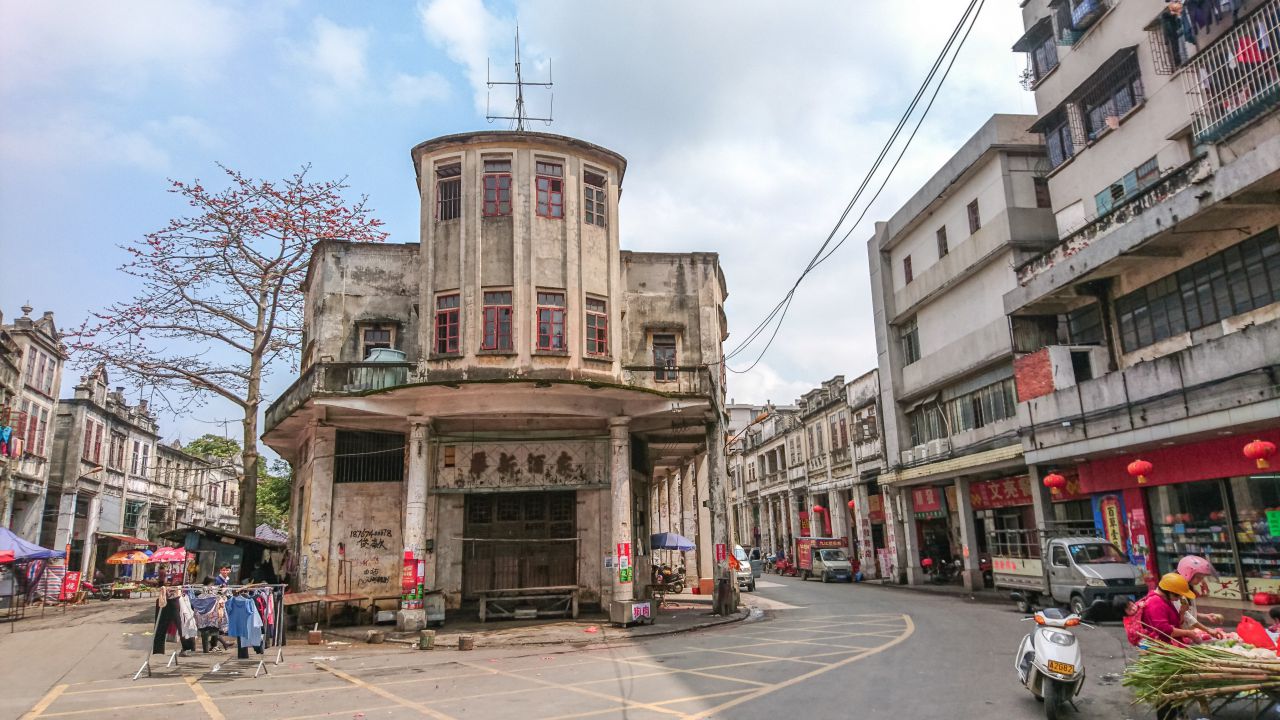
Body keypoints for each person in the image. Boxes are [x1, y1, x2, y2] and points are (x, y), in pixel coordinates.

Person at [1139, 573, 1201, 647]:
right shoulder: (1155, 602)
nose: (1180, 597)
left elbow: (1175, 623)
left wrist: (1182, 613)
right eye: (1178, 595)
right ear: (1170, 592)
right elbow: (1165, 630)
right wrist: (1188, 633)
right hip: (1163, 648)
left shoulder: (1165, 599)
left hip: (1172, 645)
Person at [1176, 555, 1226, 638]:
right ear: (1186, 573)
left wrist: (1205, 615)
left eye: (1202, 578)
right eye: (1198, 578)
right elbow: (1185, 615)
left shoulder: (1188, 587)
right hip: (1181, 633)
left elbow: (1187, 611)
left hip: (1188, 632)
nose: (1199, 581)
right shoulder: (1176, 591)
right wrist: (1207, 629)